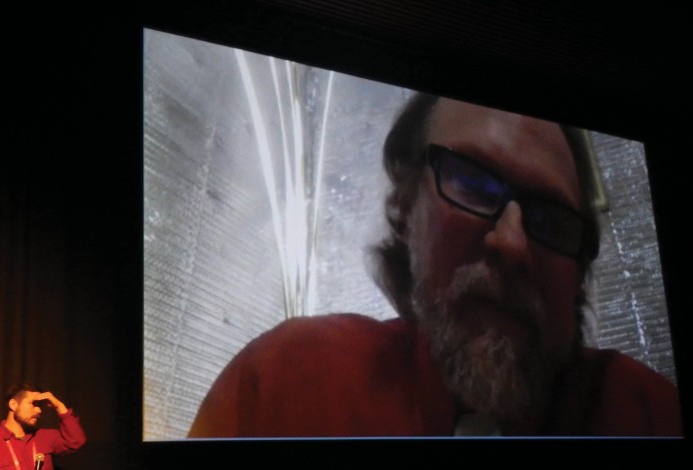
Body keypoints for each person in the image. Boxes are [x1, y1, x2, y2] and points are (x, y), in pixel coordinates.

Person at [188, 93, 682, 437]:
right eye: (471, 181)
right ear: (406, 208)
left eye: (551, 218)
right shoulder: (284, 383)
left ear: (577, 273)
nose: (511, 244)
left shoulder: (654, 417)